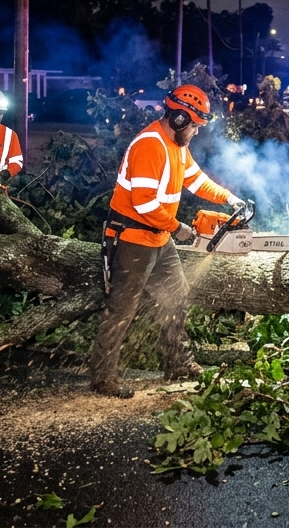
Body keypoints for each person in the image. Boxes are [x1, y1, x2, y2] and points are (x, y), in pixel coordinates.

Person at [89, 84, 246, 398]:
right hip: (133, 238)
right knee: (122, 308)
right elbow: (144, 202)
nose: (196, 132)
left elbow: (196, 180)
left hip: (159, 238)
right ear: (178, 119)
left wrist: (229, 198)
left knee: (177, 296)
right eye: (194, 126)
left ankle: (177, 361)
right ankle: (103, 377)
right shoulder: (150, 145)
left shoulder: (177, 145)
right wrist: (178, 228)